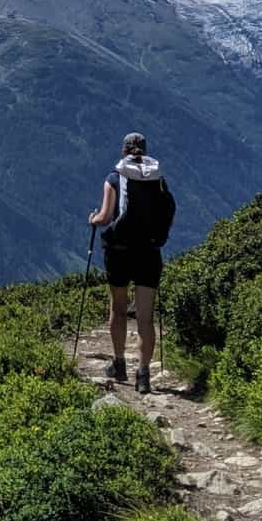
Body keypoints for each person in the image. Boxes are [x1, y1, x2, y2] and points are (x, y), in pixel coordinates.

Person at [87, 131, 174, 394]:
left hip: (119, 251)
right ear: (144, 151)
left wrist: (93, 219)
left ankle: (120, 363)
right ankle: (144, 375)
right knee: (145, 318)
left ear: (123, 150)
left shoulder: (115, 177)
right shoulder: (157, 180)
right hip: (148, 251)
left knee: (119, 308)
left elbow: (105, 215)